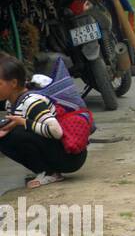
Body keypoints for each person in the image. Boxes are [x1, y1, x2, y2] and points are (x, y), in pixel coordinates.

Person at [0, 56, 88, 188]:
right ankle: (43, 169)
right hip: (58, 150)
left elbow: (56, 132)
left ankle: (49, 172)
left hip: (71, 157)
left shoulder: (31, 101)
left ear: (13, 83)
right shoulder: (10, 103)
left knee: (15, 134)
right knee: (7, 135)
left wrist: (24, 122)